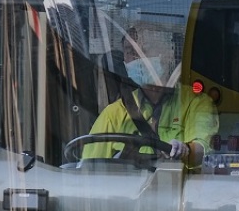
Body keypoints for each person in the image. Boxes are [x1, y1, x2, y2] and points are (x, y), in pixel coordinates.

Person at [82, 26, 218, 167]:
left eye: (144, 49)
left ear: (166, 55)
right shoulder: (113, 114)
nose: (136, 56)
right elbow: (87, 169)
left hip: (179, 186)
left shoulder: (196, 103)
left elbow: (202, 150)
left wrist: (186, 150)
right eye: (130, 51)